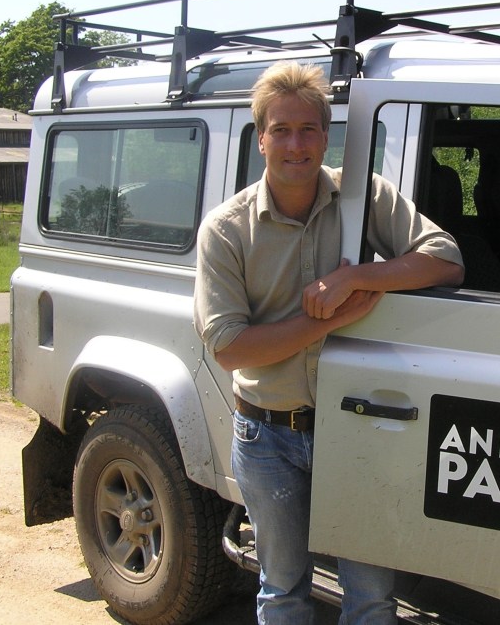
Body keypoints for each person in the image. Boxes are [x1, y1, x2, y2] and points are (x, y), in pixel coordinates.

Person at [194, 60, 464, 625]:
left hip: (355, 426)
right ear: (260, 138)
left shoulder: (362, 197)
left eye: (309, 129)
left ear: (326, 134)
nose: (297, 144)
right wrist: (324, 323)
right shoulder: (226, 228)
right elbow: (229, 347)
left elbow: (445, 261)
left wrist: (356, 277)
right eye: (282, 130)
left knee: (371, 597)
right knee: (283, 588)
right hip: (267, 433)